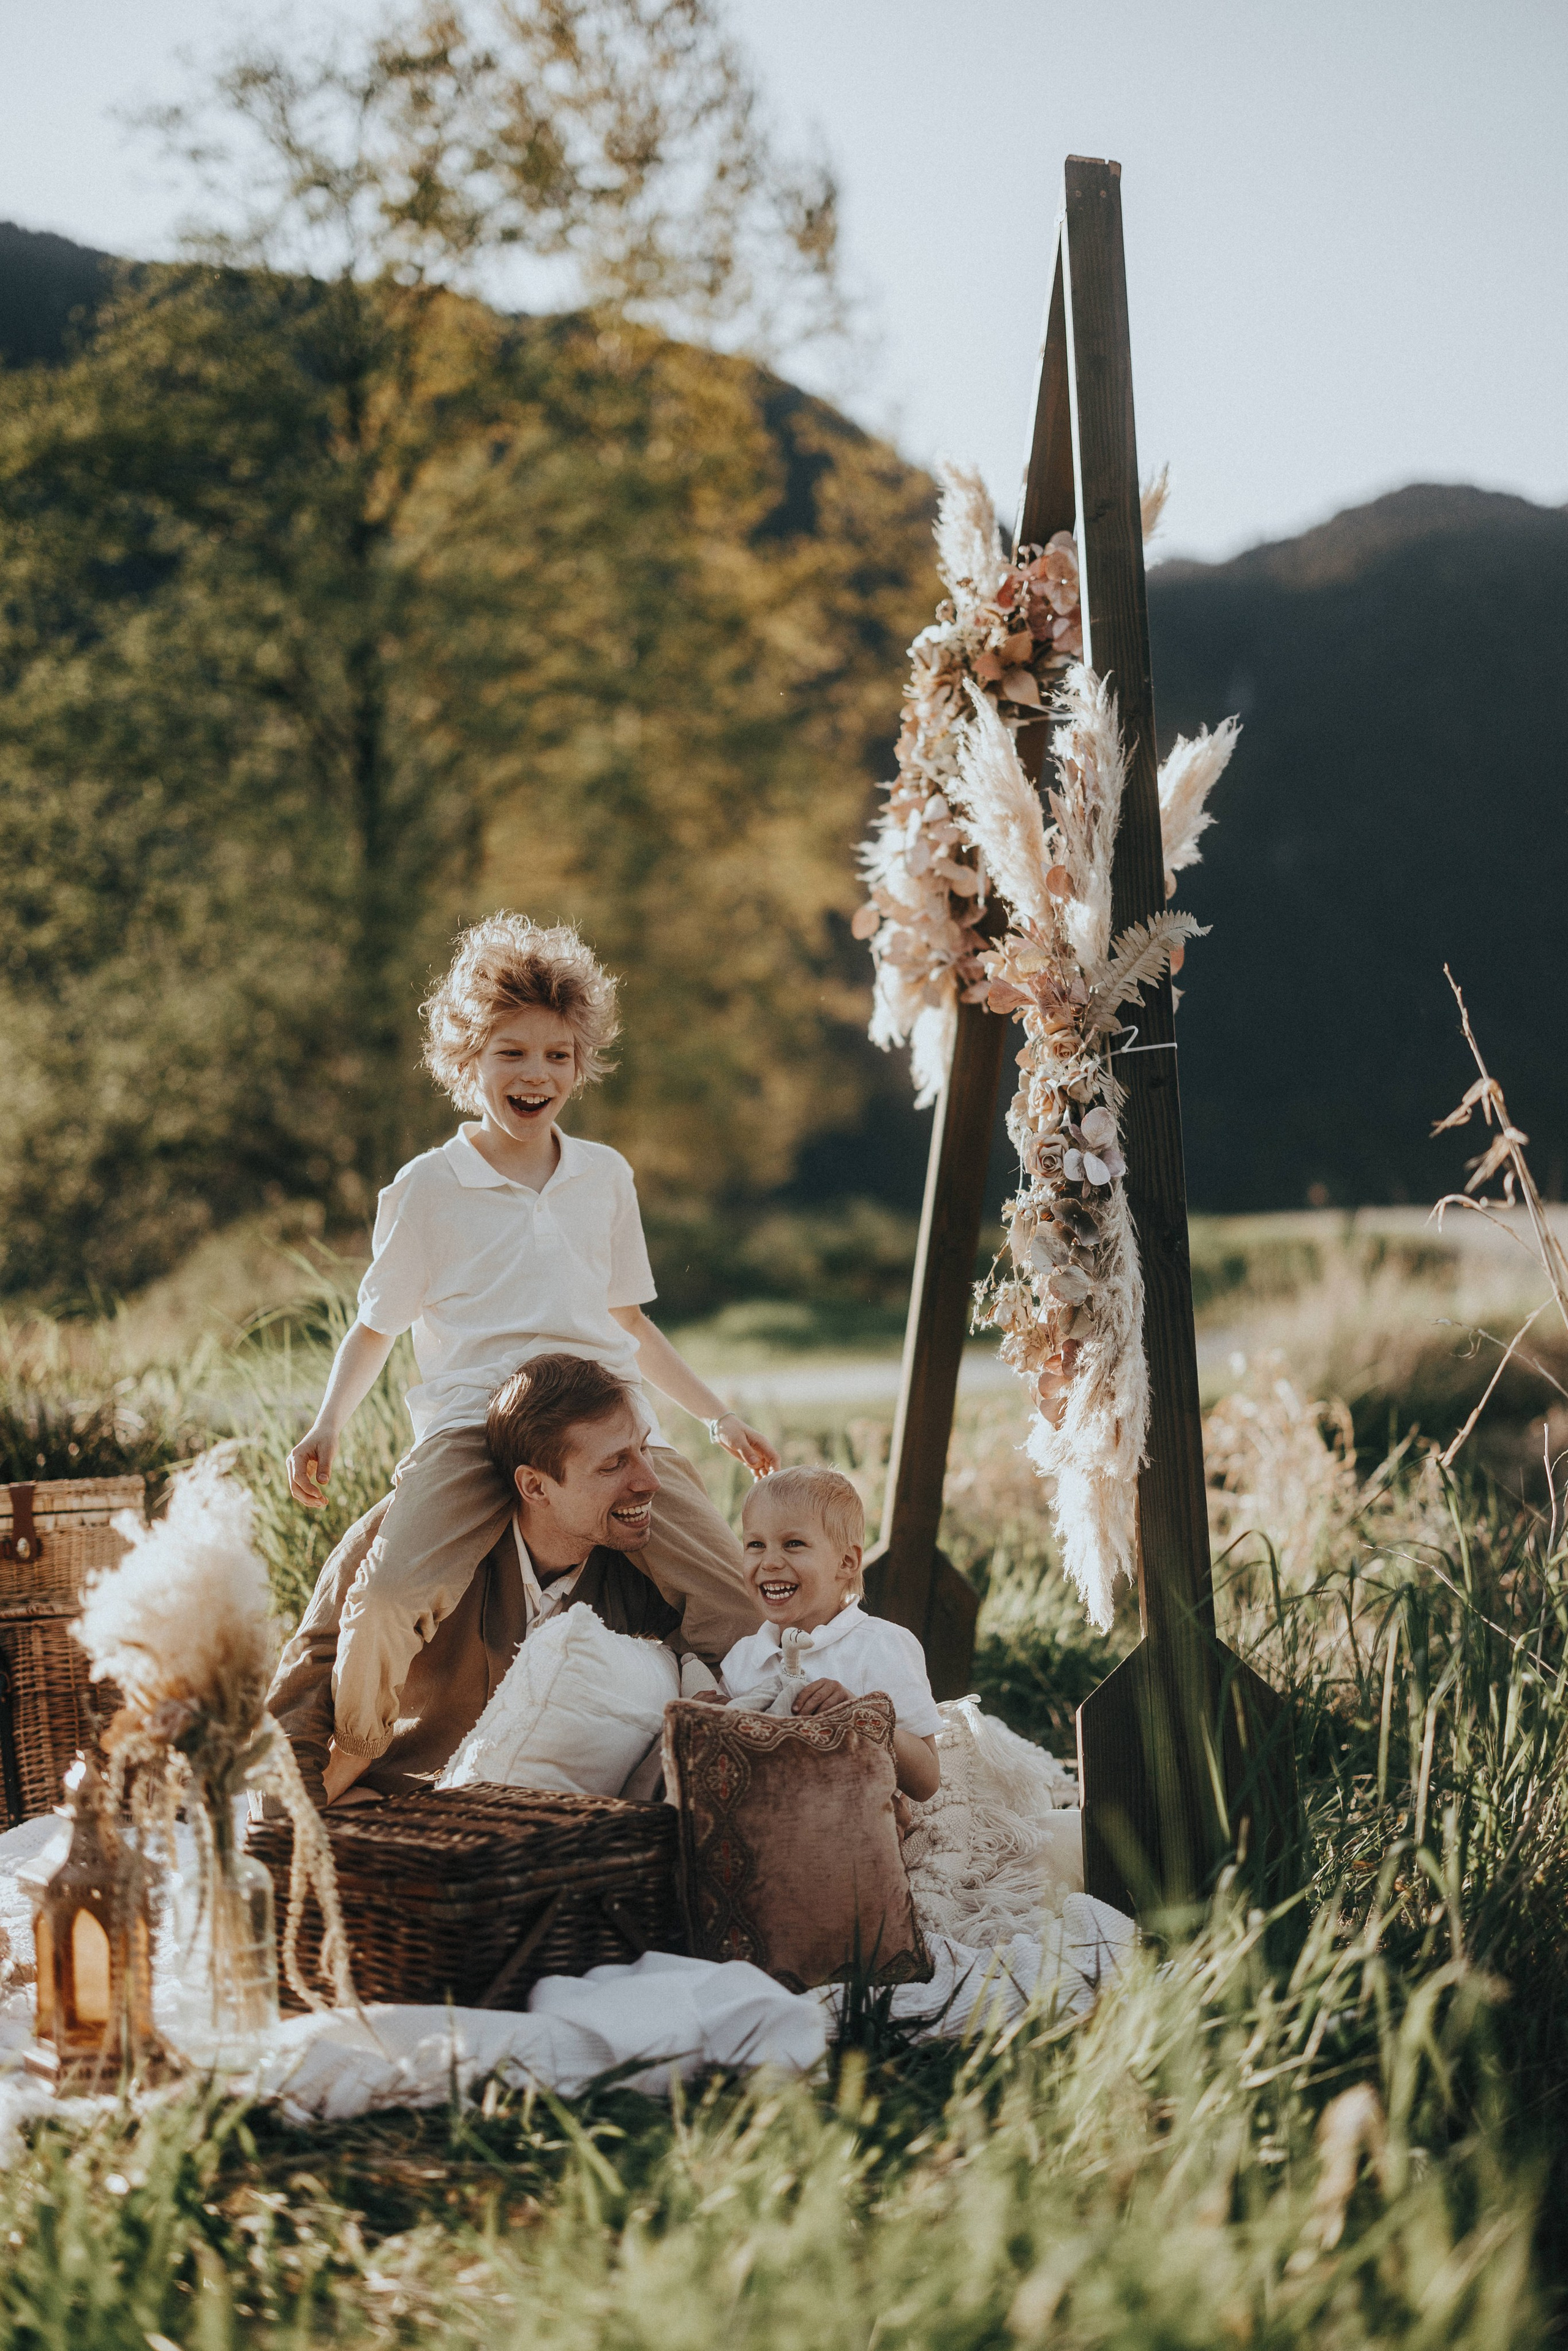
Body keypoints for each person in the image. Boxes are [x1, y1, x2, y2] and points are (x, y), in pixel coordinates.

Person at [284, 914, 775, 1804]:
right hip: (480, 1424)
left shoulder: (605, 1176)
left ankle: (744, 1765)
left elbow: (627, 1319)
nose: (536, 1074)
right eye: (511, 1053)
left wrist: (717, 1414)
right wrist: (327, 1423)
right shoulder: (427, 1189)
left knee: (732, 1592)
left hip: (609, 1427)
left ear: (581, 1063)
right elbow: (375, 1327)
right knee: (391, 1592)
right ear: (466, 1059)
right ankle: (355, 1745)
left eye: (557, 1055)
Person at [268, 1353, 718, 1805]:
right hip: (393, 1800)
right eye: (613, 1465)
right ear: (536, 1487)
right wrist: (291, 1813)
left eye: (643, 1449)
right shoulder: (413, 1544)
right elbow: (310, 1671)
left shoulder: (645, 1572)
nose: (650, 1481)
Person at [718, 1466, 941, 1802]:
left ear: (847, 1563)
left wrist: (861, 1715)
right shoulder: (743, 1657)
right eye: (755, 1544)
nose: (770, 1562)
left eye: (793, 1544)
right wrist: (713, 1713)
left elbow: (926, 1782)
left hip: (852, 1820)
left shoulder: (882, 1646)